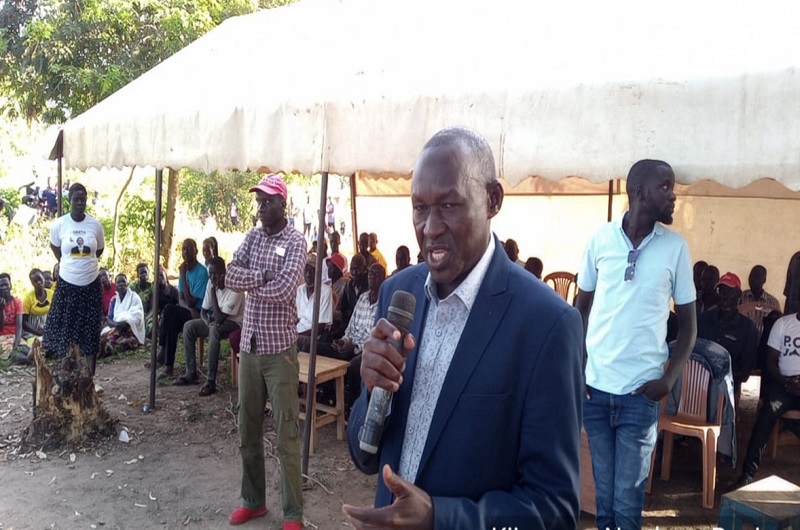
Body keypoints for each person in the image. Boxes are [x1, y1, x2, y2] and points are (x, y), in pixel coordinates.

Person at [344, 127, 583, 530]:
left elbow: (554, 510)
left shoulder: (547, 325)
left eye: (449, 205)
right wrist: (370, 392)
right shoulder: (397, 294)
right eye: (420, 207)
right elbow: (364, 456)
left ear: (492, 200)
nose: (430, 227)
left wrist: (441, 518)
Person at [575, 159, 697, 530]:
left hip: (640, 395)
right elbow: (579, 311)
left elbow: (689, 327)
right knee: (605, 507)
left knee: (627, 508)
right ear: (639, 191)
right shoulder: (600, 240)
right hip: (595, 393)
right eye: (666, 187)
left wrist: (668, 381)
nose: (674, 195)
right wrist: (577, 368)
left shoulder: (675, 248)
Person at [225, 174, 305, 530]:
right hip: (250, 347)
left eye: (267, 201)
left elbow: (286, 290)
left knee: (286, 433)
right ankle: (253, 501)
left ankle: (293, 514)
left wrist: (255, 282)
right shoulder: (253, 237)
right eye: (258, 200)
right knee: (248, 428)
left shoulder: (296, 241)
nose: (260, 206)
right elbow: (230, 275)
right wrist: (261, 276)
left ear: (282, 204)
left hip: (280, 352)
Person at [43, 183, 105, 376]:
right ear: (70, 201)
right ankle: (66, 374)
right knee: (66, 329)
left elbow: (99, 250)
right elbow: (56, 248)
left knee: (90, 329)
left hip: (91, 285)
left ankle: (90, 378)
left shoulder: (95, 225)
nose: (80, 203)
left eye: (83, 199)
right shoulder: (60, 225)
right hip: (67, 285)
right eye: (76, 200)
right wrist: (69, 264)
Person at [734, 304, 800, 486]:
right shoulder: (783, 324)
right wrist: (787, 382)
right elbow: (770, 362)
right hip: (783, 383)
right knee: (767, 413)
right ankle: (748, 473)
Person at [318, 262, 386, 414]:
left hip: (366, 349)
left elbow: (378, 338)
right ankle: (329, 398)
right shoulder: (362, 298)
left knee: (355, 365)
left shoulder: (384, 302)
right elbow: (351, 327)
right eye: (370, 273)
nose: (371, 277)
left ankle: (352, 409)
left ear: (384, 278)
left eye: (376, 275)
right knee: (319, 348)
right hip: (349, 344)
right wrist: (344, 340)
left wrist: (354, 347)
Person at [176, 256, 244, 396]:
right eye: (210, 274)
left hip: (235, 323)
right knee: (189, 326)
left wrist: (213, 292)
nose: (213, 277)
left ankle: (211, 381)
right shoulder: (210, 282)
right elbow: (203, 311)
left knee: (214, 330)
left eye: (216, 273)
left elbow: (220, 318)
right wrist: (207, 322)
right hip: (216, 320)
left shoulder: (235, 288)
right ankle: (191, 373)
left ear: (224, 272)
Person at [697, 272, 759, 397]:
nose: (724, 296)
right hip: (698, 379)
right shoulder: (703, 320)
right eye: (721, 291)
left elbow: (744, 373)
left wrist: (718, 378)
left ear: (738, 295)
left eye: (729, 291)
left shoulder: (747, 328)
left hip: (726, 386)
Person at [153, 239, 207, 378]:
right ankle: (168, 365)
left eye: (189, 249)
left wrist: (182, 275)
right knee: (172, 318)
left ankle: (164, 355)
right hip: (190, 311)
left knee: (170, 310)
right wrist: (189, 309)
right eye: (183, 249)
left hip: (201, 314)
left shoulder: (201, 272)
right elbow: (181, 299)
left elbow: (190, 301)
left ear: (196, 251)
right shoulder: (184, 269)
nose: (186, 252)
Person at [99, 273, 145, 357]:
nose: (121, 284)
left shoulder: (134, 297)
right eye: (118, 282)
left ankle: (106, 350)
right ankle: (102, 349)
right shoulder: (114, 300)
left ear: (127, 283)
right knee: (105, 337)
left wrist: (127, 323)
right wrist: (117, 325)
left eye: (123, 281)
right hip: (116, 328)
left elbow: (138, 315)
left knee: (126, 342)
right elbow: (109, 318)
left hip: (130, 331)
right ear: (115, 285)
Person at [295, 253, 333, 352]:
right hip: (297, 332)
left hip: (314, 336)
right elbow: (296, 319)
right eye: (306, 270)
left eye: (312, 270)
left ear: (318, 272)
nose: (308, 274)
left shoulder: (325, 291)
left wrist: (296, 335)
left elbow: (320, 328)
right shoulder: (300, 290)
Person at [0, 273, 30, 364]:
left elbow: (19, 327)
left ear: (11, 285)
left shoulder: (17, 302)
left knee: (25, 349)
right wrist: (1, 310)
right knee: (15, 356)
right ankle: (30, 361)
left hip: (15, 336)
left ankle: (32, 357)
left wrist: (16, 344)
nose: (4, 287)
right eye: (1, 286)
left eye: (6, 284)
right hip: (2, 338)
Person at [21, 268, 53, 343]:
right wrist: (37, 332)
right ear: (32, 283)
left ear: (43, 279)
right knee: (35, 343)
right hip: (32, 330)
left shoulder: (52, 294)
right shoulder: (28, 298)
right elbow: (24, 322)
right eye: (35, 281)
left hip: (48, 327)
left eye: (40, 279)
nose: (38, 283)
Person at [339, 254, 369, 333]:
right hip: (350, 325)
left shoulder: (370, 287)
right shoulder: (349, 286)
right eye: (352, 269)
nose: (354, 272)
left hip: (365, 327)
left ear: (365, 269)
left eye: (357, 269)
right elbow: (344, 308)